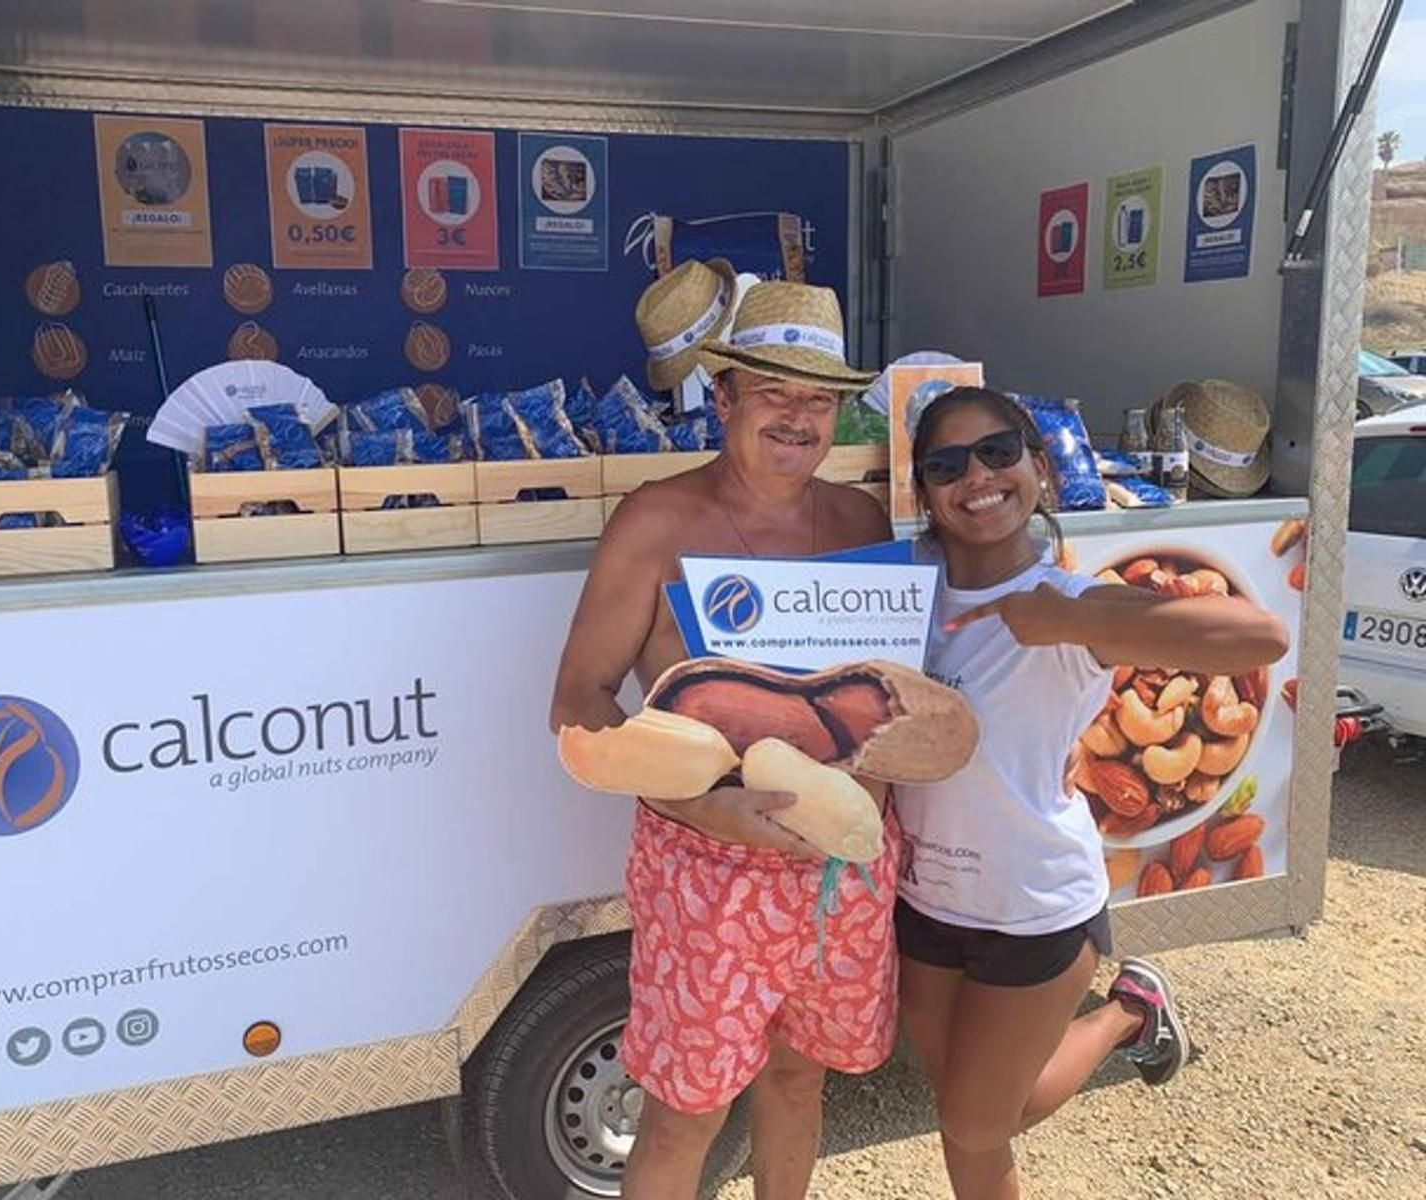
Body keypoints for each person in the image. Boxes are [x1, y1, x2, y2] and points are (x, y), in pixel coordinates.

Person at [891, 386, 1290, 1200]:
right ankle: (1132, 1011)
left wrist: (1063, 623)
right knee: (970, 1107)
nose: (978, 477)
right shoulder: (901, 588)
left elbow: (1263, 636)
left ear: (1038, 466)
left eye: (999, 452)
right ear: (923, 490)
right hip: (924, 901)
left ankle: (1119, 1013)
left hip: (1035, 908)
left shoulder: (1072, 602)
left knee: (972, 1127)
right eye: (947, 463)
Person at [550, 281, 894, 1200]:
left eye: (818, 398)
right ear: (725, 395)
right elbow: (579, 701)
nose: (798, 416)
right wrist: (702, 803)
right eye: (772, 390)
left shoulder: (863, 524)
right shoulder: (657, 520)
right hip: (707, 870)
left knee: (797, 1077)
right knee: (686, 1112)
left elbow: (882, 694)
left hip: (840, 870)